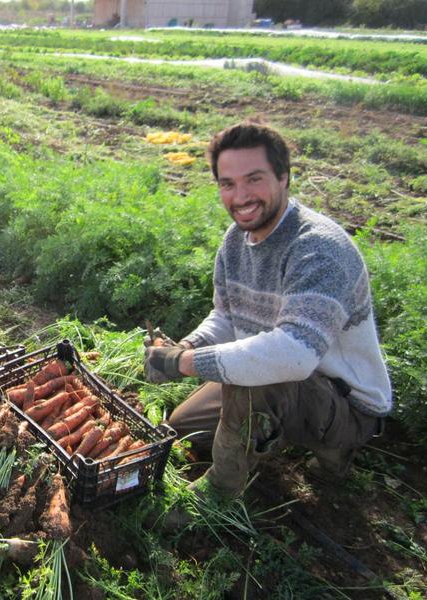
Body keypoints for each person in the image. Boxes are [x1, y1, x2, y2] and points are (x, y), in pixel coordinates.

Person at [144, 121, 391, 504]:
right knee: (183, 428)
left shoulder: (319, 249)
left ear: (284, 177)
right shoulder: (236, 242)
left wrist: (187, 363)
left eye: (253, 179)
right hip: (280, 384)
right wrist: (186, 345)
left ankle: (217, 497)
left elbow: (292, 355)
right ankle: (267, 430)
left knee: (262, 377)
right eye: (227, 184)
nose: (240, 196)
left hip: (344, 402)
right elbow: (226, 317)